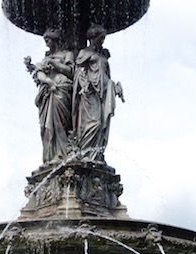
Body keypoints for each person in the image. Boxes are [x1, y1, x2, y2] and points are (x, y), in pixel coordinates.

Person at [24, 29, 75, 163]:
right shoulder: (45, 58)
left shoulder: (67, 54)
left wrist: (54, 64)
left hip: (61, 89)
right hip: (47, 93)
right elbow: (39, 72)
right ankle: (50, 156)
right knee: (46, 125)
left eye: (48, 40)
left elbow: (70, 71)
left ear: (56, 40)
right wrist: (31, 67)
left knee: (60, 122)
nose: (46, 44)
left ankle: (63, 153)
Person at [73, 24, 123, 162]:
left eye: (103, 39)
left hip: (105, 93)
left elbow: (108, 76)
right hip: (90, 91)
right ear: (92, 38)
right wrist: (84, 84)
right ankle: (86, 154)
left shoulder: (103, 55)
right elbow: (78, 71)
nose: (102, 41)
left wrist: (115, 87)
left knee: (102, 124)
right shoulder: (85, 53)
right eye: (100, 38)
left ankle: (97, 155)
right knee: (94, 122)